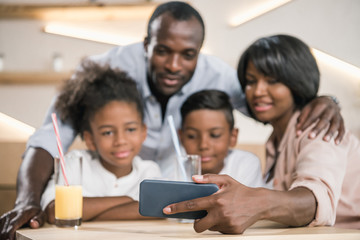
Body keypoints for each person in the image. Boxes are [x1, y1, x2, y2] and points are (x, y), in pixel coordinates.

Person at [0, 1, 344, 238]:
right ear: (146, 44)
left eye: (188, 55)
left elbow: (267, 103)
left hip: (167, 199)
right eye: (163, 50)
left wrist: (325, 99)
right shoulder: (108, 69)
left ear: (200, 51)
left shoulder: (218, 76)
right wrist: (26, 200)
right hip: (123, 191)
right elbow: (47, 139)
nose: (175, 65)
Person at [162, 34, 360, 233]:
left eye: (272, 81)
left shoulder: (318, 127)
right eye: (250, 81)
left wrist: (252, 201)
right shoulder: (275, 140)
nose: (257, 91)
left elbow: (313, 202)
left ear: (299, 81)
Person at [41, 60, 161, 223]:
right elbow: (54, 211)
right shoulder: (75, 163)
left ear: (143, 132)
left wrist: (85, 212)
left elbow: (158, 210)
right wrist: (126, 200)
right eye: (108, 132)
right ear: (90, 140)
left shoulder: (149, 172)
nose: (120, 141)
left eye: (130, 129)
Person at [179, 89, 264, 187]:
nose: (203, 145)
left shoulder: (246, 165)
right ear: (181, 137)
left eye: (215, 135)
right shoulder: (173, 173)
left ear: (233, 136)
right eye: (192, 136)